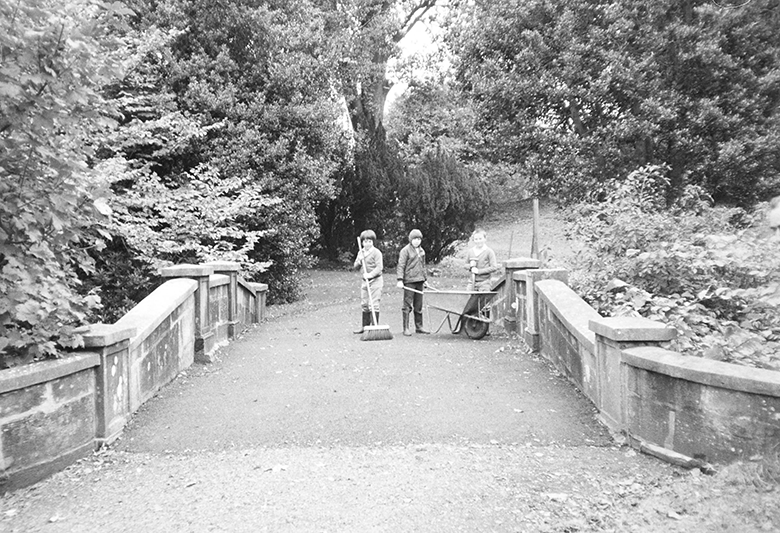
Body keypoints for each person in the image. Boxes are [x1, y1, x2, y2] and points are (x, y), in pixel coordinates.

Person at [396, 229, 429, 336]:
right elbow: (401, 265)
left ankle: (419, 327)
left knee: (418, 305)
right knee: (407, 305)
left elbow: (423, 266)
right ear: (410, 239)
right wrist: (400, 280)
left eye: (419, 239)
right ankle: (405, 328)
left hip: (419, 281)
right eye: (414, 239)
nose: (416, 241)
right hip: (409, 281)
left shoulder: (422, 251)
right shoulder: (405, 250)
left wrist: (425, 280)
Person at [353, 229, 384, 334]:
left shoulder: (376, 253)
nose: (367, 244)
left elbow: (379, 267)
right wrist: (359, 261)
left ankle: (375, 327)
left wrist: (370, 275)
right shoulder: (360, 252)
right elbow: (355, 267)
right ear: (362, 242)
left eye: (369, 241)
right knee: (365, 304)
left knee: (373, 304)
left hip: (375, 280)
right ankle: (365, 327)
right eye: (365, 241)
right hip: (364, 282)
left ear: (373, 242)